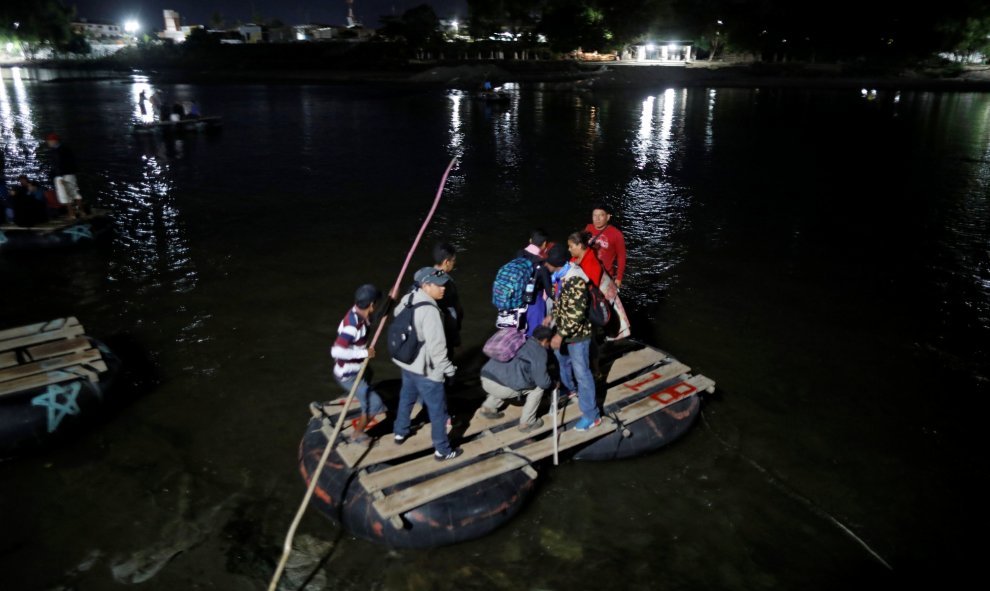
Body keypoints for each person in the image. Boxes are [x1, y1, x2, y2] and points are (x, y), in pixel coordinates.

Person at [391, 267, 462, 461]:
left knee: (406, 397)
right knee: (438, 411)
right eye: (437, 285)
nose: (443, 289)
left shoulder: (409, 298)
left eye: (444, 285)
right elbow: (438, 350)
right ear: (425, 285)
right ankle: (442, 450)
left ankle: (400, 431)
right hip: (427, 371)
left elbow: (397, 314)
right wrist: (450, 371)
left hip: (407, 363)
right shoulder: (430, 311)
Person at [543, 243, 601, 431]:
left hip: (577, 336)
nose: (545, 266)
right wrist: (552, 316)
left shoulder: (575, 280)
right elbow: (562, 303)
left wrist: (560, 335)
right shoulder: (560, 277)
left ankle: (592, 415)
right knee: (562, 361)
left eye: (548, 264)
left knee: (582, 373)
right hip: (564, 331)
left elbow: (576, 314)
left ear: (555, 265)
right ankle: (570, 390)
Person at [330, 284, 388, 442]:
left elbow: (375, 318)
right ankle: (357, 433)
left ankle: (364, 400)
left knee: (369, 373)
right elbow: (336, 351)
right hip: (348, 374)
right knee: (375, 403)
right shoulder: (352, 326)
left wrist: (391, 301)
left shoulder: (359, 313)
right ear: (371, 305)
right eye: (376, 303)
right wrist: (364, 353)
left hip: (359, 368)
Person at [479, 325, 555, 432]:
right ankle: (527, 423)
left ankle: (488, 408)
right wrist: (552, 383)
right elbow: (543, 382)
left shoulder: (519, 339)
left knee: (505, 377)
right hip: (501, 388)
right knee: (538, 388)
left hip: (485, 377)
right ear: (545, 340)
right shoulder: (539, 351)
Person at [567, 230, 632, 340]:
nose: (569, 249)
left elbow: (591, 289)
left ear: (579, 245)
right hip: (593, 296)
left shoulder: (591, 263)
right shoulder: (575, 258)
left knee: (608, 323)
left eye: (571, 246)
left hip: (601, 297)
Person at [518, 229, 553, 336]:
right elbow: (549, 290)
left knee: (519, 330)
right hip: (534, 301)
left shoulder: (519, 254)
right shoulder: (542, 263)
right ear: (544, 244)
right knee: (534, 333)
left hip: (517, 298)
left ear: (530, 240)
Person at [432, 242, 464, 359]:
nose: (454, 264)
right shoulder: (446, 284)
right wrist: (456, 342)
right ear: (446, 262)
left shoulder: (426, 276)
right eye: (453, 261)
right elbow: (452, 315)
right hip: (441, 337)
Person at [585, 203, 627, 289]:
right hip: (587, 272)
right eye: (594, 215)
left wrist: (619, 278)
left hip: (604, 276)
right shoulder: (588, 228)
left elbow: (621, 257)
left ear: (607, 217)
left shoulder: (616, 234)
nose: (597, 219)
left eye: (601, 215)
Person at [45, 133, 84, 219]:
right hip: (68, 174)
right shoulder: (64, 149)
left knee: (66, 196)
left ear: (54, 141)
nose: (48, 143)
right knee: (73, 193)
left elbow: (59, 164)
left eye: (50, 141)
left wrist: (60, 176)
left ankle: (72, 214)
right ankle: (80, 212)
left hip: (63, 175)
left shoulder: (58, 151)